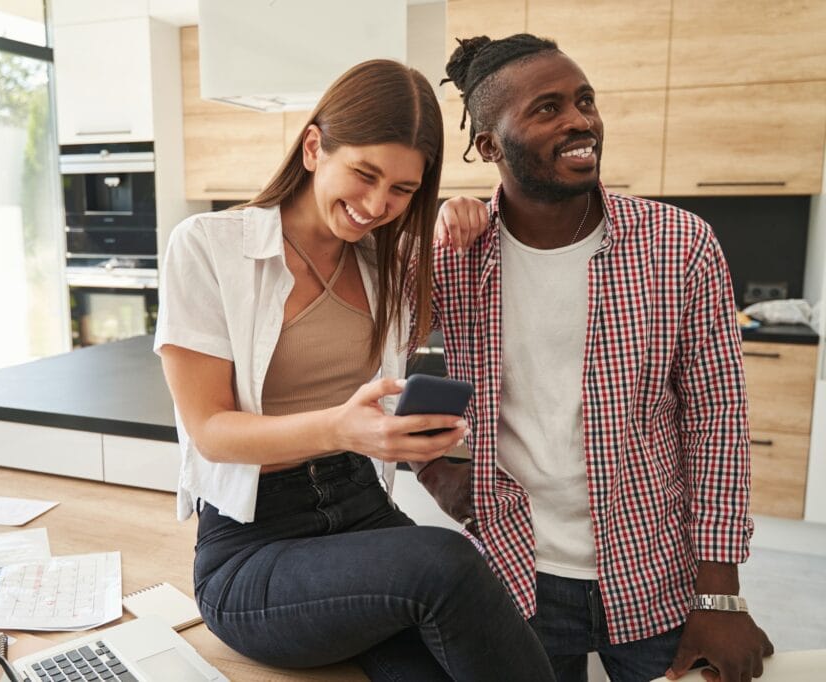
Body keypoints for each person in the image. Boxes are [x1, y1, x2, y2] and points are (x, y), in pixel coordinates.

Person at [154, 59, 554, 682]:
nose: (377, 204)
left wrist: (456, 216)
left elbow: (475, 280)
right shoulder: (207, 245)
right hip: (253, 547)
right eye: (364, 174)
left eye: (403, 190)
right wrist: (343, 429)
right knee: (446, 564)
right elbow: (211, 432)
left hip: (361, 510)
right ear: (314, 146)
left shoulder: (386, 264)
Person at [417, 34, 775, 682]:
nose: (580, 120)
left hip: (653, 575)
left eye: (584, 101)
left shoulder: (680, 245)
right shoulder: (455, 257)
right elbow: (363, 352)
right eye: (547, 109)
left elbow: (717, 421)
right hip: (512, 575)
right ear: (490, 145)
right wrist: (436, 466)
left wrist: (719, 596)